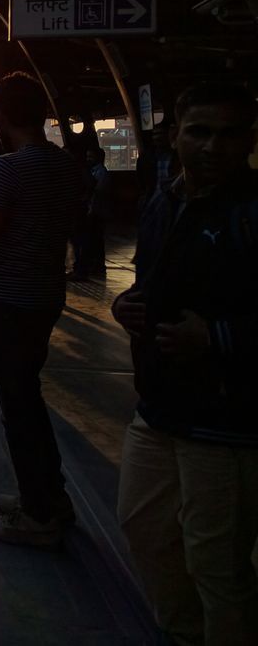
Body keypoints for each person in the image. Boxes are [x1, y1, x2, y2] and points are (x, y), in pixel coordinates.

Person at [112, 82, 258, 646]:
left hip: (227, 419)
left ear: (249, 140)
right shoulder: (163, 201)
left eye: (228, 134)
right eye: (199, 131)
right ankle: (182, 632)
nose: (212, 146)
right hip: (158, 406)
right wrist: (126, 305)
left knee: (216, 564)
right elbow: (148, 278)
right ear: (175, 135)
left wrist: (216, 337)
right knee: (144, 530)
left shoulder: (252, 212)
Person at [0, 72, 82, 547]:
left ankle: (37, 515)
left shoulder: (8, 170)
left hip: (9, 296)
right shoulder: (67, 166)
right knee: (29, 397)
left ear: (3, 118)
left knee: (17, 406)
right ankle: (49, 497)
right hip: (47, 292)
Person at [70, 147, 111, 279]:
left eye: (91, 157)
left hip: (96, 211)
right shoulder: (95, 172)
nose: (88, 159)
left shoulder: (99, 173)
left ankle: (93, 266)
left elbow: (98, 193)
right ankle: (95, 266)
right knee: (95, 240)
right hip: (95, 210)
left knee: (94, 240)